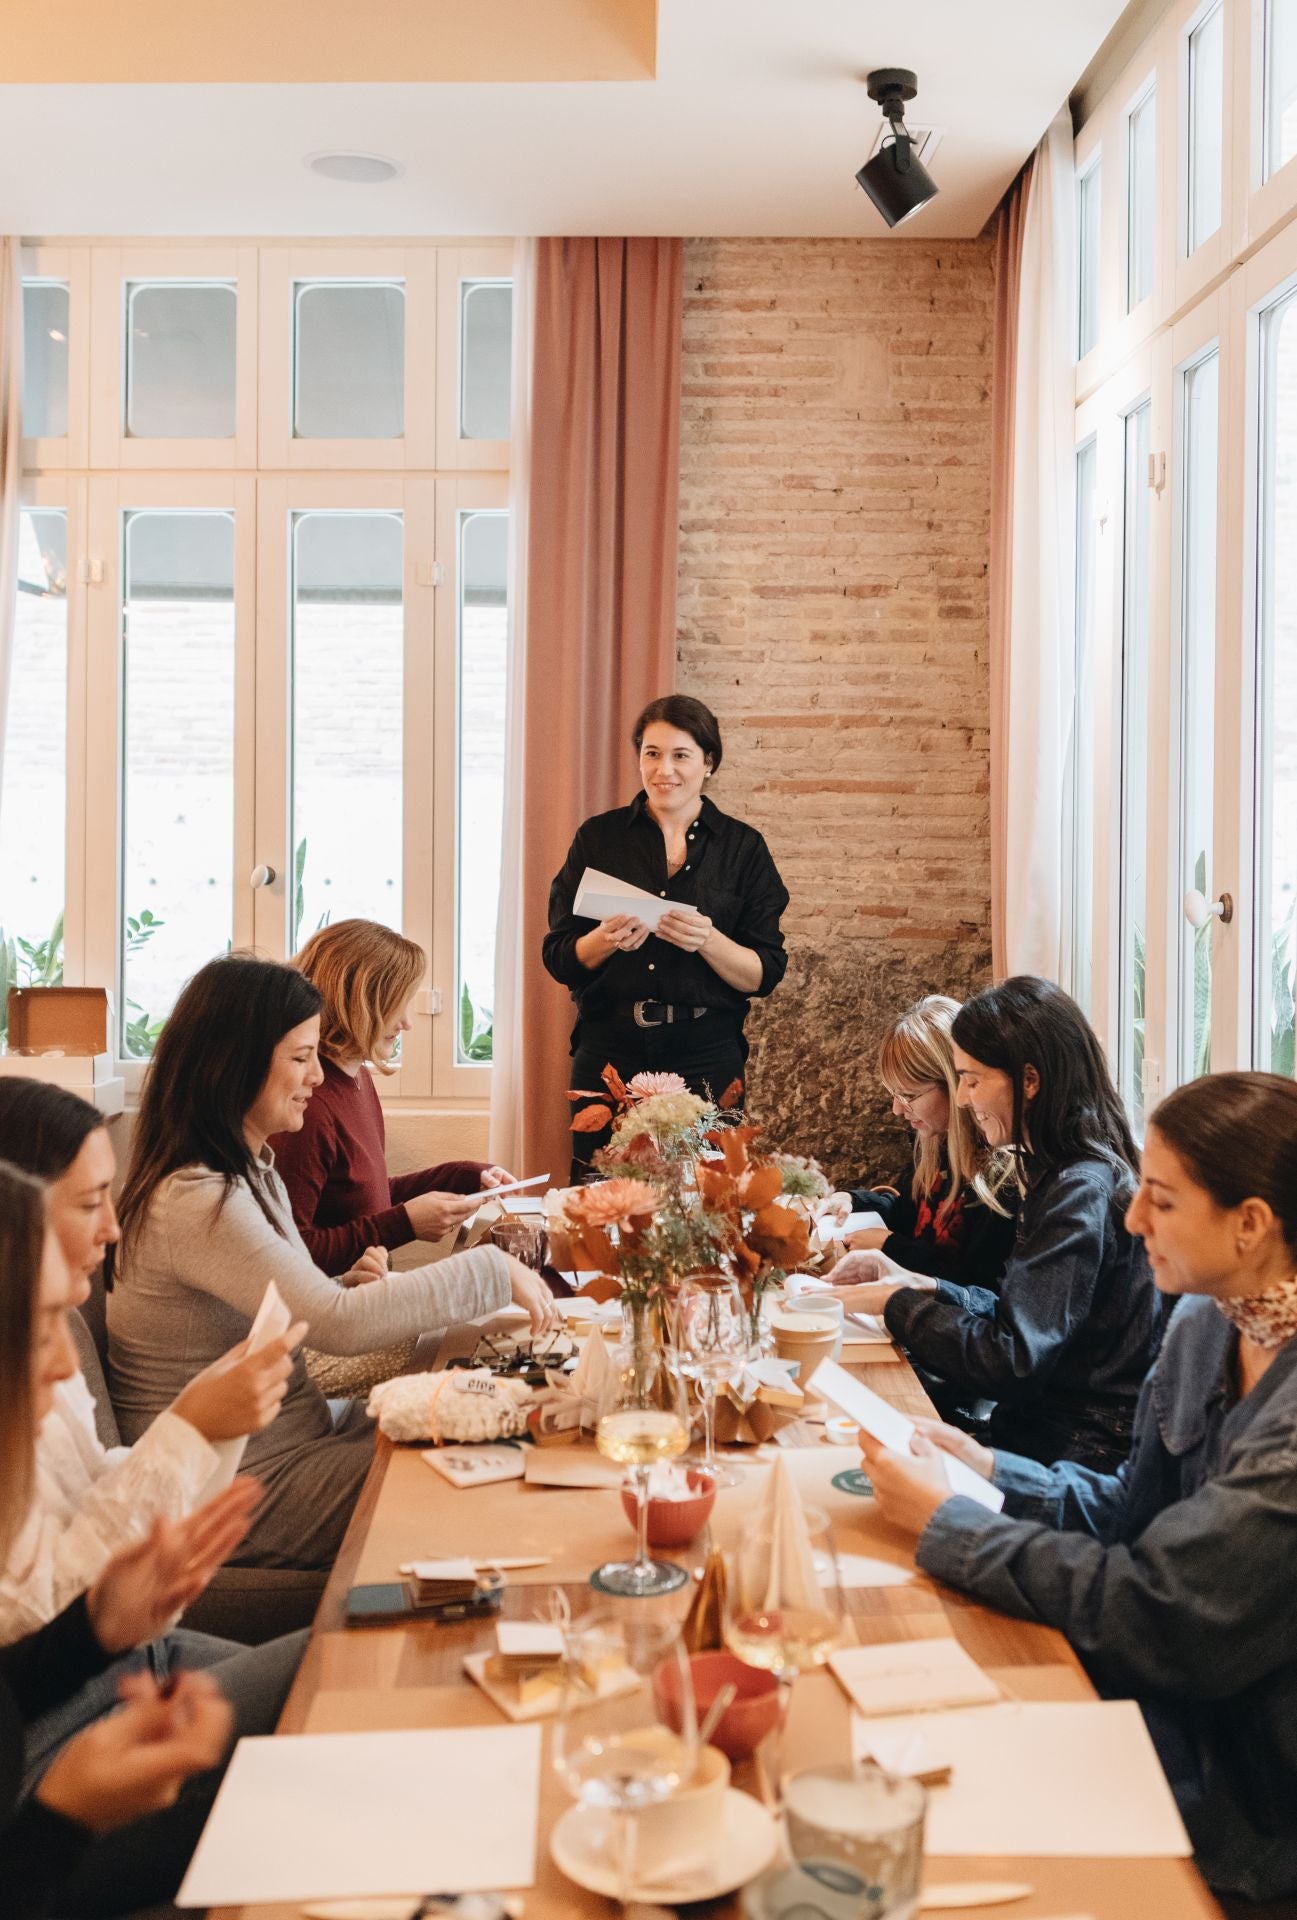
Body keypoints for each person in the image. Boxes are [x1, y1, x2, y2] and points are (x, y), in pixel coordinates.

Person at [859, 1072, 1297, 1904]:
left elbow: (1161, 1610)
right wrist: (987, 1470)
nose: (1132, 1221)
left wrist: (951, 1523)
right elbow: (1134, 1508)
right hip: (1149, 1715)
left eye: (1159, 1202)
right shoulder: (1208, 1324)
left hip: (1240, 1801)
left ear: (1249, 1225)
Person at [108, 953, 558, 1571]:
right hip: (232, 1483)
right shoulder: (196, 1198)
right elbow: (338, 1325)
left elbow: (305, 1300)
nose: (319, 1077)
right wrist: (492, 1271)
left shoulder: (245, 1170)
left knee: (502, 1416)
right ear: (231, 1067)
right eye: (300, 1058)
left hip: (293, 1439)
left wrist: (348, 1281)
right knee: (485, 1468)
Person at [0, 1155, 290, 1918]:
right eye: (37, 1337)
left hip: (85, 1696)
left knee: (340, 1671)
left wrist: (90, 1633)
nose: (69, 1365)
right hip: (42, 1800)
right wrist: (63, 1817)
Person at [0, 1076, 304, 1639]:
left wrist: (199, 1420)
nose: (113, 1228)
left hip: (113, 1653)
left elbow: (90, 1491)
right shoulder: (193, 1197)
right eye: (91, 1203)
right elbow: (41, 1618)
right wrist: (189, 1427)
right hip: (79, 1686)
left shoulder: (55, 1323)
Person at [833, 976, 1161, 1469]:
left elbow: (1014, 1360)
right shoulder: (1063, 1171)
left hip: (1071, 1456)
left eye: (972, 1079)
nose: (963, 1099)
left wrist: (897, 1303)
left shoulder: (1079, 1191)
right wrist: (923, 1286)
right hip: (1042, 1435)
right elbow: (1023, 1315)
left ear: (1030, 1081)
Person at [544, 694, 789, 1180]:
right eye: (651, 753)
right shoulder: (598, 838)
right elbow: (558, 957)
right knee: (601, 1195)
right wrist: (605, 940)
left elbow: (765, 974)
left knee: (706, 1196)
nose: (664, 770)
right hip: (609, 1048)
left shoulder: (743, 848)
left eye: (681, 755)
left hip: (706, 1051)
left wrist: (708, 941)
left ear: (708, 763)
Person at [273, 919, 516, 1276]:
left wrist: (464, 1176)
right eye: (397, 1006)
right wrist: (403, 1224)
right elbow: (290, 1252)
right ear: (360, 1003)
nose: (406, 1023)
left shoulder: (357, 1078)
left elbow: (362, 1195)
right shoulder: (309, 1104)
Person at [820, 995, 1017, 1291]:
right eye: (894, 1094)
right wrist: (852, 1200)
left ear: (955, 1084)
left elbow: (977, 1290)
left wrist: (890, 1247)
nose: (897, 1110)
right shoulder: (938, 1144)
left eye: (909, 1096)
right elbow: (906, 1214)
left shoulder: (998, 1178)